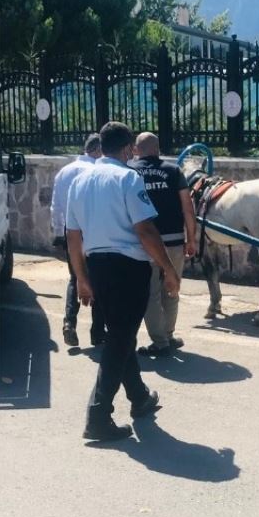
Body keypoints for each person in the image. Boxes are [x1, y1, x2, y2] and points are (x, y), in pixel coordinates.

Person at [66, 122, 180, 442]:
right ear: (129, 148)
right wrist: (169, 269)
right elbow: (145, 230)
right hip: (128, 268)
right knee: (119, 337)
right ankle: (98, 416)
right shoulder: (128, 178)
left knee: (121, 330)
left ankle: (139, 396)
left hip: (97, 266)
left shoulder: (79, 181)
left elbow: (73, 236)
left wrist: (81, 278)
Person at [130, 132, 197, 357]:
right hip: (174, 240)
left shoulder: (130, 172)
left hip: (144, 242)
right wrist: (191, 238)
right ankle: (168, 335)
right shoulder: (173, 171)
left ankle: (160, 342)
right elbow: (188, 207)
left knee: (151, 293)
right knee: (172, 287)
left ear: (136, 149)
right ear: (158, 148)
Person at [50, 134, 106, 347]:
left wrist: (58, 233)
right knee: (98, 278)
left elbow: (55, 207)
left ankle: (69, 323)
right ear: (98, 150)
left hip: (70, 232)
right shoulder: (96, 172)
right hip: (92, 232)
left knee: (76, 277)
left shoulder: (64, 172)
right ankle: (97, 331)